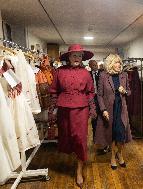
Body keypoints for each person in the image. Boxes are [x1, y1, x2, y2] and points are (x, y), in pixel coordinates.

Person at [48, 44, 96, 188]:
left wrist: (92, 108)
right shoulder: (59, 71)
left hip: (81, 109)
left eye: (80, 56)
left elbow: (90, 92)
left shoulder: (86, 73)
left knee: (80, 138)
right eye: (74, 55)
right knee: (67, 137)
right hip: (63, 109)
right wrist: (52, 110)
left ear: (82, 58)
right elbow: (53, 91)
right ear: (68, 57)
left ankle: (79, 169)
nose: (77, 58)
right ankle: (73, 159)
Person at [94, 53, 132, 170]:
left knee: (121, 133)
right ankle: (112, 157)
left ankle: (119, 153)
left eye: (119, 62)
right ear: (110, 64)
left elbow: (129, 92)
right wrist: (103, 109)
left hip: (121, 109)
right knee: (112, 133)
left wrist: (124, 91)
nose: (119, 65)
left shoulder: (124, 75)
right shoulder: (103, 76)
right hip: (109, 109)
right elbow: (99, 95)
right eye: (116, 62)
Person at [88, 59, 110, 154]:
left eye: (95, 64)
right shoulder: (87, 75)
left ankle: (105, 141)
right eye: (92, 65)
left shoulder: (103, 73)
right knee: (94, 120)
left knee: (104, 119)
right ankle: (96, 140)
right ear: (90, 66)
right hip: (92, 99)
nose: (95, 66)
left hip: (102, 99)